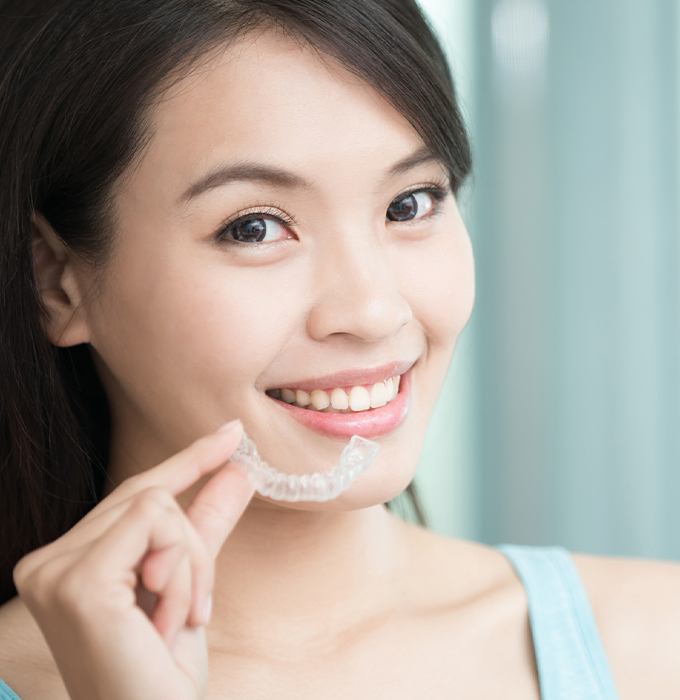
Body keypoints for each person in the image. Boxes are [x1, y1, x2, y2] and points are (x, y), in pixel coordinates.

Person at [0, 1, 678, 698]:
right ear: (58, 284)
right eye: (255, 227)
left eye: (410, 204)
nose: (374, 311)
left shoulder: (661, 647)